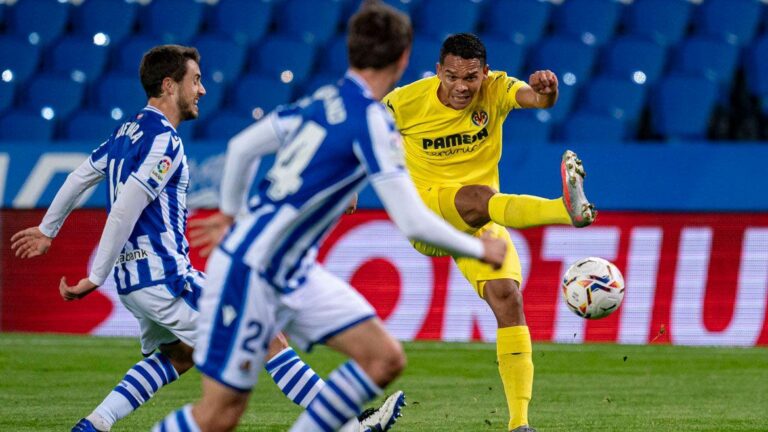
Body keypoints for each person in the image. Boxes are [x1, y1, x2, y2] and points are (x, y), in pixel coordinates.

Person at [153, 3, 508, 432]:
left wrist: (229, 212)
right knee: (219, 414)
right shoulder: (373, 121)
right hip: (253, 270)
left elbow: (244, 147)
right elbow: (413, 222)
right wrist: (478, 247)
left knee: (384, 359)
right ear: (403, 59)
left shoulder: (323, 99)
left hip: (295, 270)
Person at [9, 44, 401, 432]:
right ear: (168, 85)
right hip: (164, 277)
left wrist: (48, 229)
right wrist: (95, 275)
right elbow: (126, 205)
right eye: (195, 80)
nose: (202, 90)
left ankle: (95, 424)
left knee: (181, 354)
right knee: (267, 336)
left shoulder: (125, 132)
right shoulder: (164, 139)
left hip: (135, 285)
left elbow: (79, 177)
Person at [381, 33, 597, 432]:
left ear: (485, 73)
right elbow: (358, 138)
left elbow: (534, 101)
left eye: (471, 77)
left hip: (481, 217)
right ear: (437, 72)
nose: (461, 86)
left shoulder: (496, 88)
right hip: (426, 214)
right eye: (451, 76)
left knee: (508, 298)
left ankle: (520, 423)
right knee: (481, 196)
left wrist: (547, 93)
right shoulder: (405, 101)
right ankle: (564, 211)